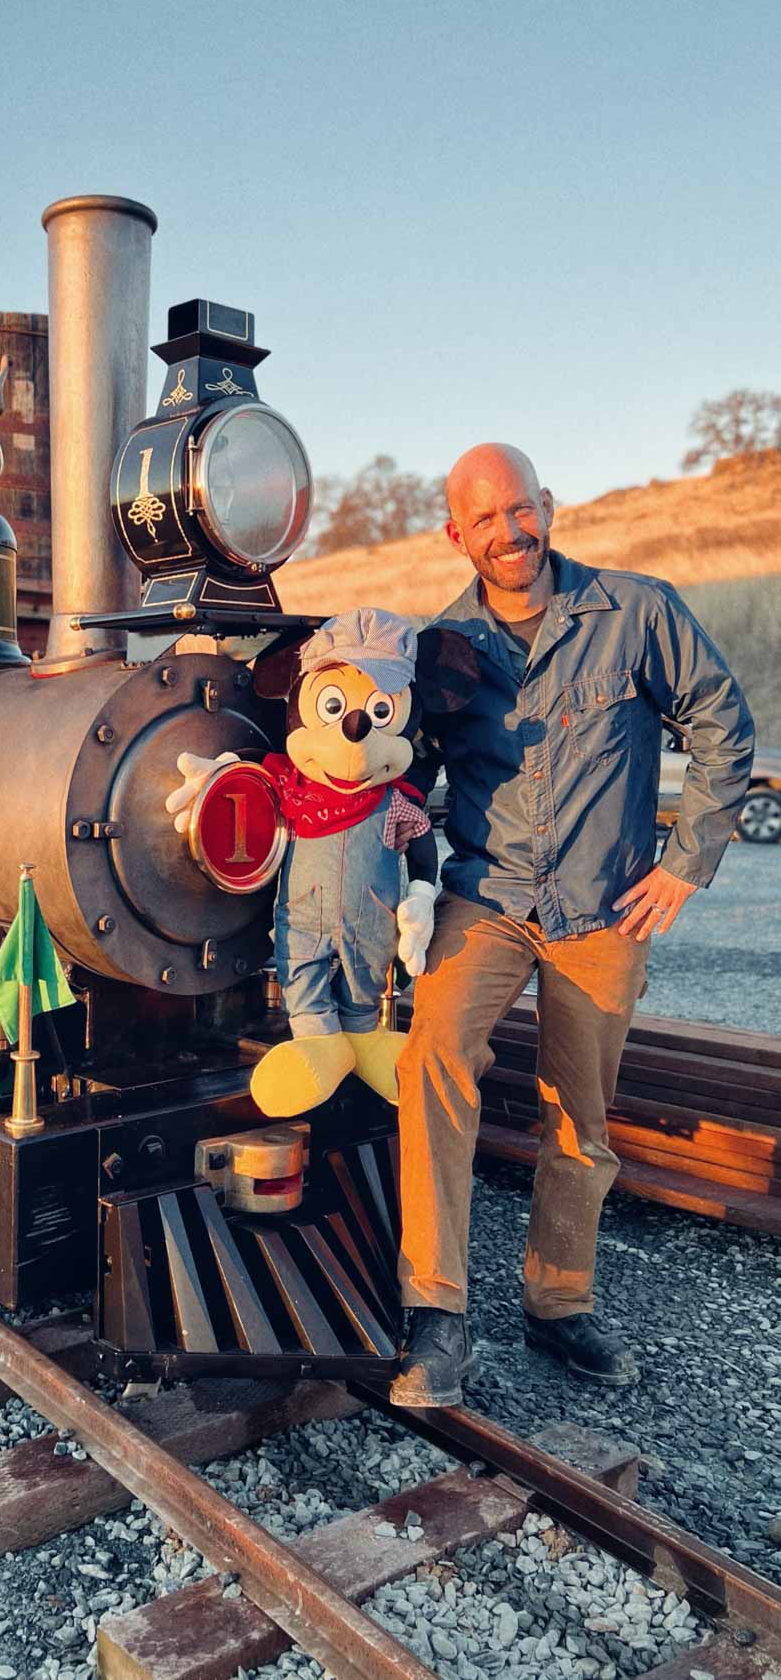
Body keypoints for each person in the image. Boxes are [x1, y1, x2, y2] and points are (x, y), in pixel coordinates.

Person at [390, 442, 755, 1408]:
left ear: (546, 507)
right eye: (486, 520)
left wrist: (685, 863)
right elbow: (409, 772)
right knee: (431, 1059)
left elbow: (723, 721)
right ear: (455, 533)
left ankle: (558, 1305)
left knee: (577, 1112)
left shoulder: (636, 612)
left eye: (521, 511)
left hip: (603, 909)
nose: (509, 534)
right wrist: (399, 848)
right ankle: (438, 1313)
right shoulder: (443, 649)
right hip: (488, 897)